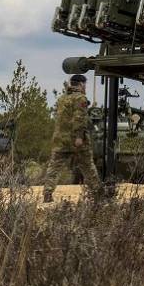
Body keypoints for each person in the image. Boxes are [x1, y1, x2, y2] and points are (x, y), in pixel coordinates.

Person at [42, 74, 101, 203]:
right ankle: (97, 194)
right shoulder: (81, 98)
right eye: (85, 84)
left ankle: (47, 193)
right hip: (76, 140)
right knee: (88, 167)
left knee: (54, 167)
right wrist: (79, 137)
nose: (85, 87)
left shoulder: (62, 98)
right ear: (81, 84)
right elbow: (79, 119)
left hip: (60, 140)